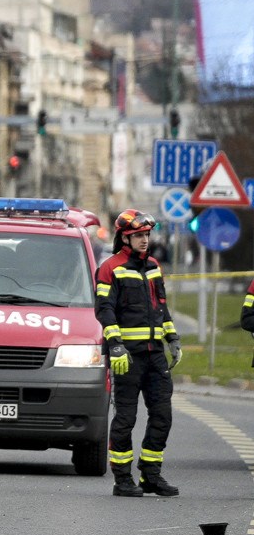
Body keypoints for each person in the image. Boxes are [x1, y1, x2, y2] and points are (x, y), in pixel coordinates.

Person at [97, 208, 179, 498]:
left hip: (155, 355)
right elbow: (104, 310)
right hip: (127, 357)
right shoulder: (110, 268)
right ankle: (122, 479)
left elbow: (161, 306)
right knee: (126, 419)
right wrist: (116, 345)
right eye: (138, 236)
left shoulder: (154, 266)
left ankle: (151, 475)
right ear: (124, 238)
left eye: (146, 235)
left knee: (162, 416)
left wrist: (172, 338)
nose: (145, 240)